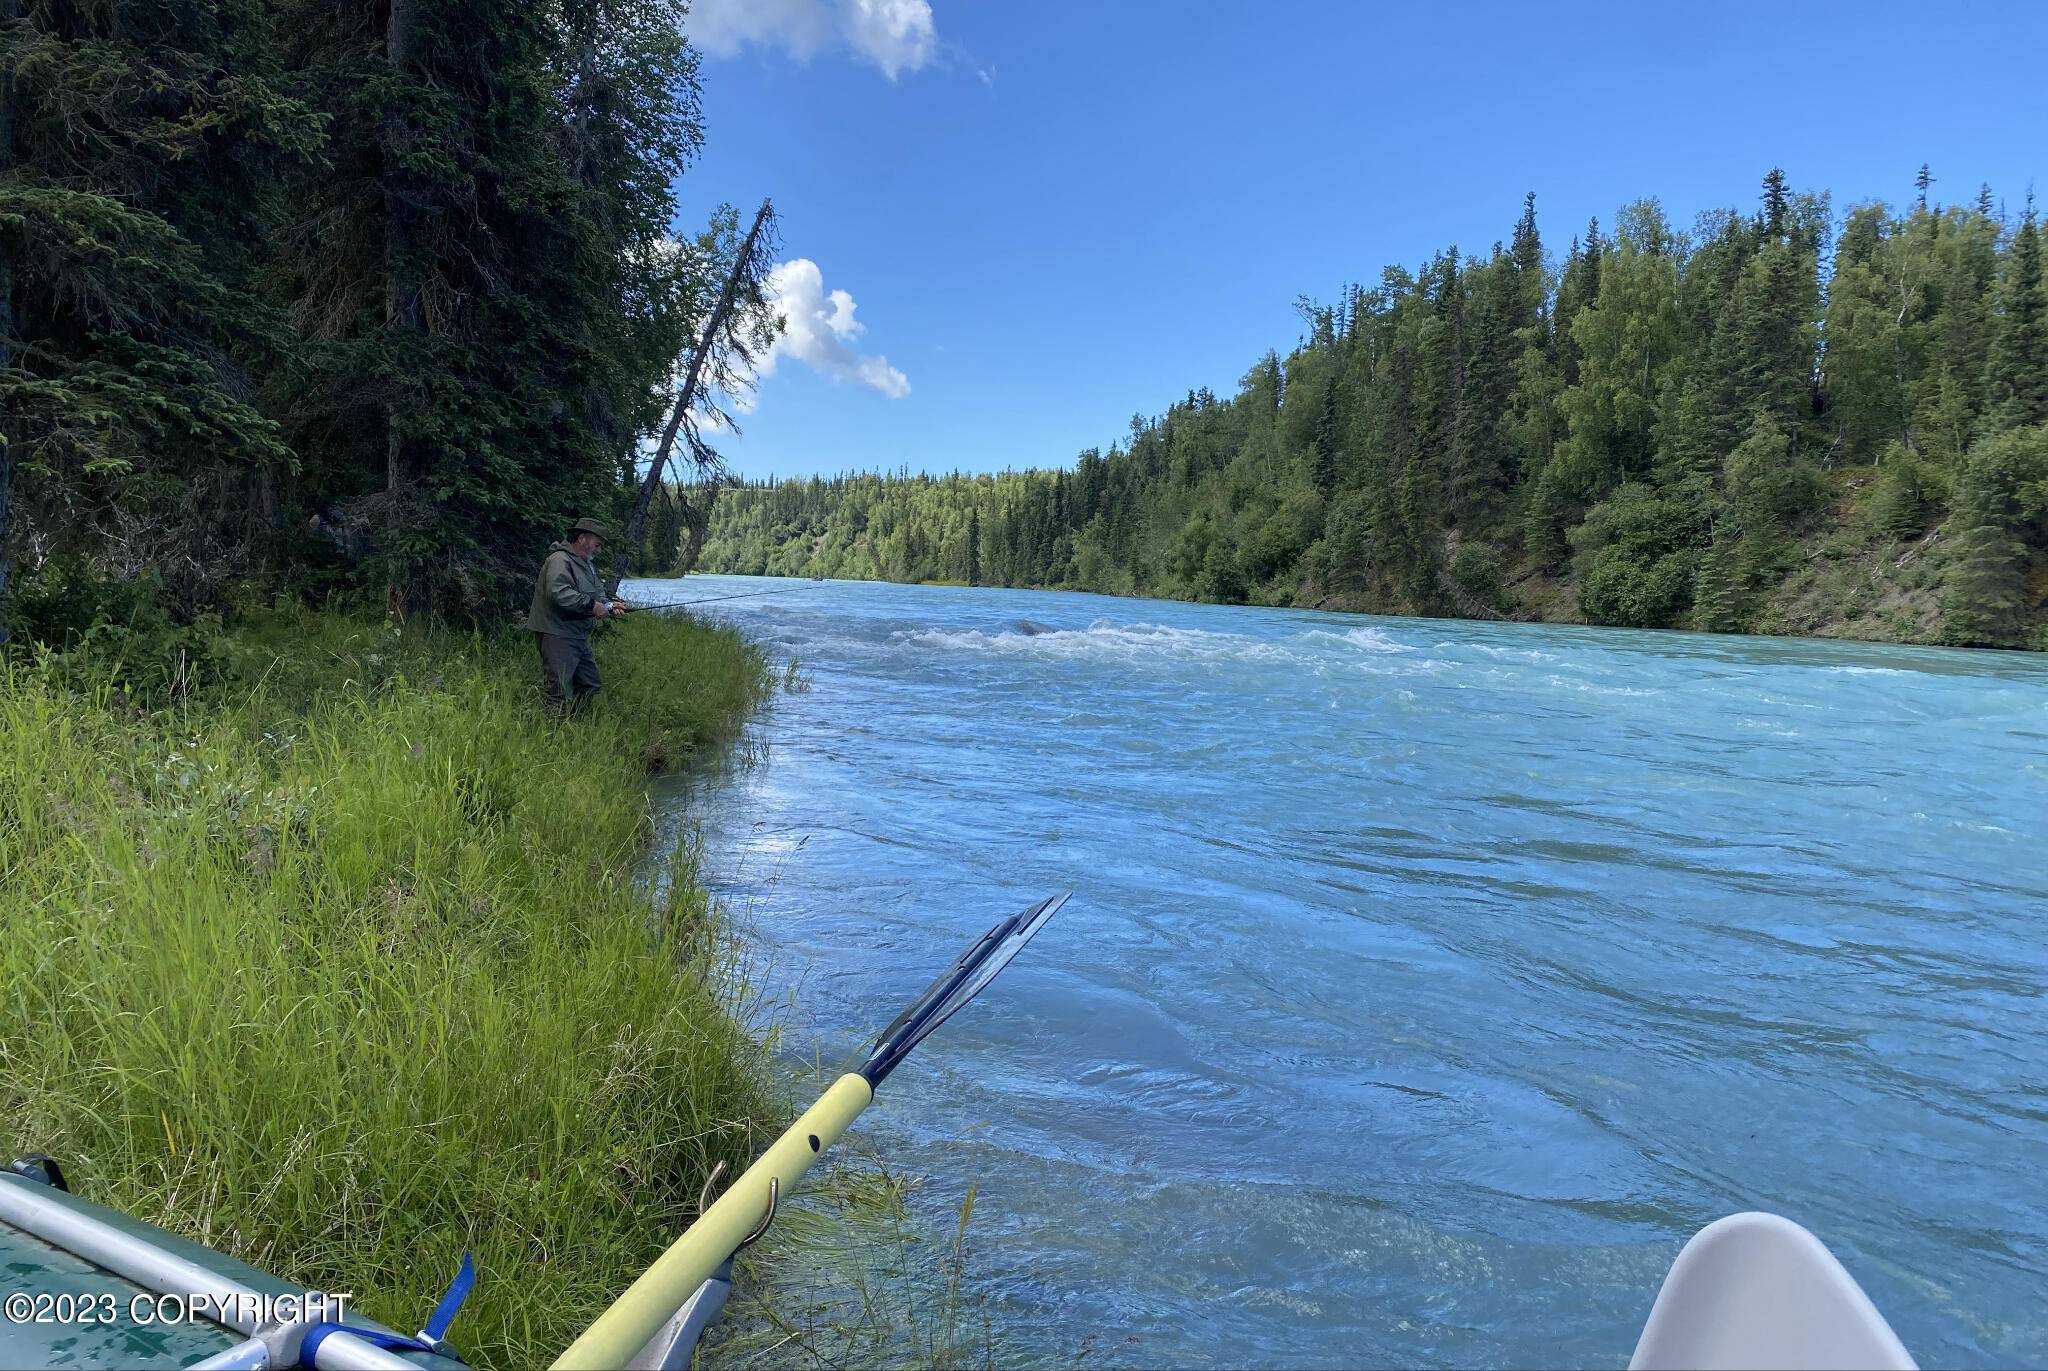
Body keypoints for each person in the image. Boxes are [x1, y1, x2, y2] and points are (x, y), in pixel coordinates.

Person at [526, 517, 626, 712]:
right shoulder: (559, 560)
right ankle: (551, 733)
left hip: (578, 635)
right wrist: (592, 606)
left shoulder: (587, 565)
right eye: (597, 544)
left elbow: (598, 595)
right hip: (557, 633)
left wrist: (609, 605)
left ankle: (576, 725)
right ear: (581, 538)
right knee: (558, 692)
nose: (599, 550)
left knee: (590, 685)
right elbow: (558, 592)